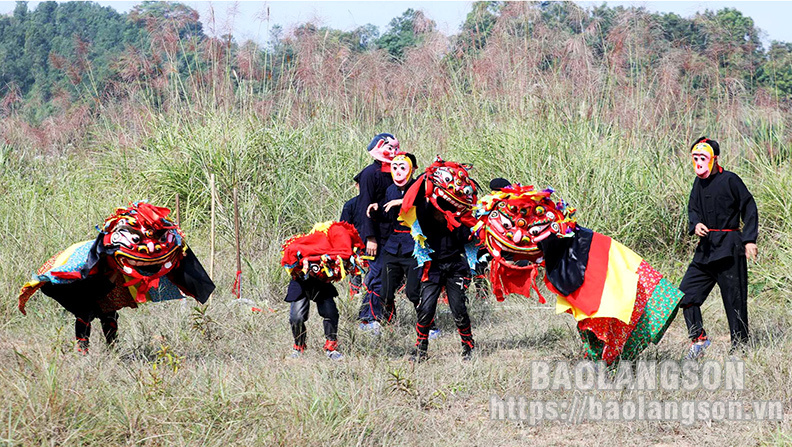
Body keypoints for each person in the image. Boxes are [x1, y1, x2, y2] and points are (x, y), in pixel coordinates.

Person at [678, 137, 759, 359]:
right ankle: (699, 339)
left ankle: (740, 346)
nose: (699, 162)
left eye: (703, 158)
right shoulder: (698, 183)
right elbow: (692, 208)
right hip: (705, 251)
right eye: (695, 158)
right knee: (685, 295)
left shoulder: (730, 180)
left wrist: (749, 239)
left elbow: (749, 206)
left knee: (735, 299)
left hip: (730, 248)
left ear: (714, 159)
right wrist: (696, 225)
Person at [355, 133, 399, 334]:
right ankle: (368, 317)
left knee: (393, 276)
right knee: (378, 274)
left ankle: (388, 317)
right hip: (377, 235)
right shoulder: (369, 174)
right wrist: (369, 237)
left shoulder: (398, 170)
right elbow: (364, 206)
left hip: (396, 233)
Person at [286, 274, 343, 360]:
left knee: (331, 313)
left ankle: (331, 347)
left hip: (322, 280)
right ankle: (299, 346)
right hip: (300, 282)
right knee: (296, 318)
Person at [340, 174, 364, 298]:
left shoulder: (378, 203)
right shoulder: (350, 205)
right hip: (356, 247)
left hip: (375, 244)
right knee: (355, 273)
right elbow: (343, 229)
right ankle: (355, 296)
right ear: (357, 186)